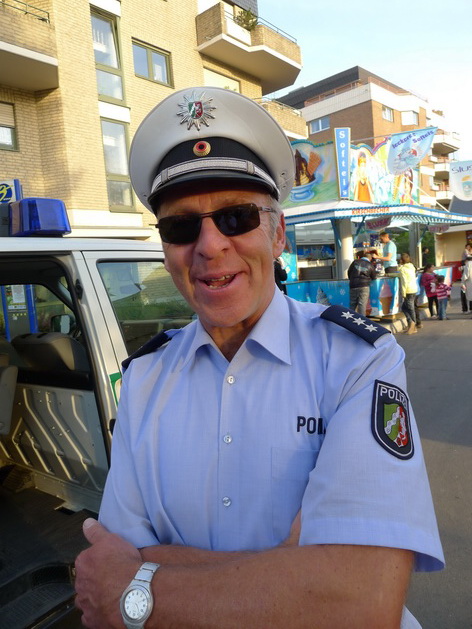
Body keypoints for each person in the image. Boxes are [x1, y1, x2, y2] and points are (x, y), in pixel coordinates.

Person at [74, 87, 444, 629]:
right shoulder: (145, 379)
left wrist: (142, 582)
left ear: (278, 235)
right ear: (166, 250)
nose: (209, 246)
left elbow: (361, 601)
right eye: (181, 227)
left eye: (236, 218)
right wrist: (292, 573)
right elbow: (112, 561)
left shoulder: (358, 362)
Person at [347, 250, 377, 315]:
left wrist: (352, 279)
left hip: (353, 285)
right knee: (362, 304)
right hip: (364, 286)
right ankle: (361, 319)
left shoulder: (355, 262)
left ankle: (349, 318)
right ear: (370, 258)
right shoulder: (370, 265)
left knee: (352, 304)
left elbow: (349, 272)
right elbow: (374, 277)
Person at [398, 253, 418, 334]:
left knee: (409, 309)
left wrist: (403, 293)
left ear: (401, 260)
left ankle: (412, 324)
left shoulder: (403, 269)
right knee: (408, 308)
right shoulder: (412, 267)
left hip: (408, 290)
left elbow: (404, 282)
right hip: (413, 289)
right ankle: (412, 325)